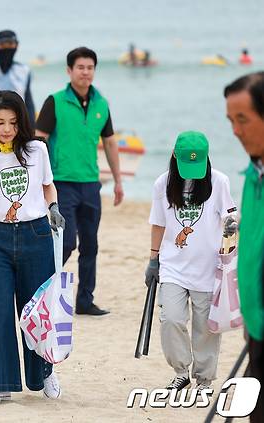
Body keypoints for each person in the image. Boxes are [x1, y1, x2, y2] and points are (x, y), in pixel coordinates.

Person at [0, 90, 65, 404]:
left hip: (37, 235)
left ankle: (44, 372)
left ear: (22, 123)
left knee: (35, 313)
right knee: (0, 312)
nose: (7, 129)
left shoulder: (36, 150)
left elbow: (47, 185)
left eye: (13, 123)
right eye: (0, 122)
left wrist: (54, 207)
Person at [35, 47, 123, 316]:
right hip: (62, 183)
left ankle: (85, 300)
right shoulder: (55, 101)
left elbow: (109, 142)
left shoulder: (102, 104)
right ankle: (43, 289)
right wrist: (39, 181)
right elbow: (39, 140)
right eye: (80, 67)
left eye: (90, 67)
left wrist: (118, 180)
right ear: (69, 71)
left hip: (90, 183)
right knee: (66, 242)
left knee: (90, 244)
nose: (86, 72)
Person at [145, 131, 236, 392]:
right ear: (174, 156)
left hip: (209, 267)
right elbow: (158, 223)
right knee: (171, 319)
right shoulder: (162, 184)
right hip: (173, 266)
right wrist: (153, 260)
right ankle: (181, 372)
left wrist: (230, 240)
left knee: (205, 328)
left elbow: (231, 217)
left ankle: (205, 380)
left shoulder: (219, 182)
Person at [224, 71, 264, 422]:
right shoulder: (254, 174)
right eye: (230, 121)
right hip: (256, 328)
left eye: (243, 119)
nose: (235, 131)